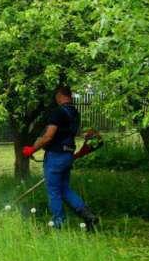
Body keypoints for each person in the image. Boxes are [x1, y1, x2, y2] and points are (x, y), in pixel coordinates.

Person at [22, 85, 99, 231]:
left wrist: (31, 149)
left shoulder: (58, 112)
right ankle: (88, 216)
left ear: (59, 95)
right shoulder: (74, 113)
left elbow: (48, 136)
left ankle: (58, 224)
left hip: (55, 157)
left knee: (54, 192)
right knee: (64, 189)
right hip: (68, 155)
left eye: (56, 97)